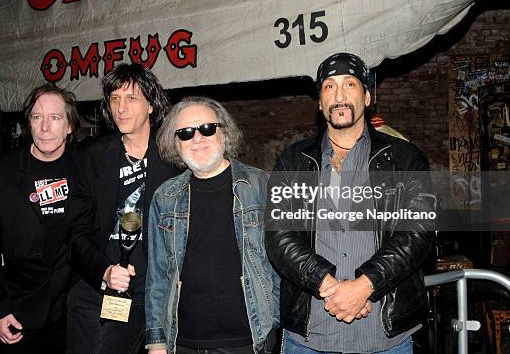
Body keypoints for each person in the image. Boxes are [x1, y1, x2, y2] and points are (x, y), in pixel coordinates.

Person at [265, 53, 436, 354]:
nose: (339, 96)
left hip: (386, 338)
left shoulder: (405, 158)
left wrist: (365, 286)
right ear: (319, 102)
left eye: (350, 84)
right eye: (329, 87)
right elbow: (279, 236)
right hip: (310, 337)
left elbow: (418, 232)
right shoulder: (293, 160)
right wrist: (329, 286)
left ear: (367, 97)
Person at [146, 96, 280, 354]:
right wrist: (157, 340)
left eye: (207, 128)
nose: (197, 139)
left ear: (224, 133)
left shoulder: (260, 185)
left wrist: (272, 321)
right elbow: (157, 278)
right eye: (185, 133)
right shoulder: (165, 197)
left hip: (247, 342)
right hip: (182, 343)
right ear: (176, 143)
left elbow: (279, 264)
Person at [67, 63, 178, 354]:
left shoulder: (173, 159)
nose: (121, 108)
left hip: (150, 293)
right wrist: (104, 271)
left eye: (131, 98)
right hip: (97, 289)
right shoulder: (92, 156)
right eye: (114, 99)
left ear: (151, 105)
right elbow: (76, 232)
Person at [0, 84, 81, 353]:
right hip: (18, 311)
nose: (45, 127)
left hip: (72, 312)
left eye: (55, 118)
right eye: (37, 117)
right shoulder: (1, 171)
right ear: (29, 123)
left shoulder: (86, 168)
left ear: (70, 126)